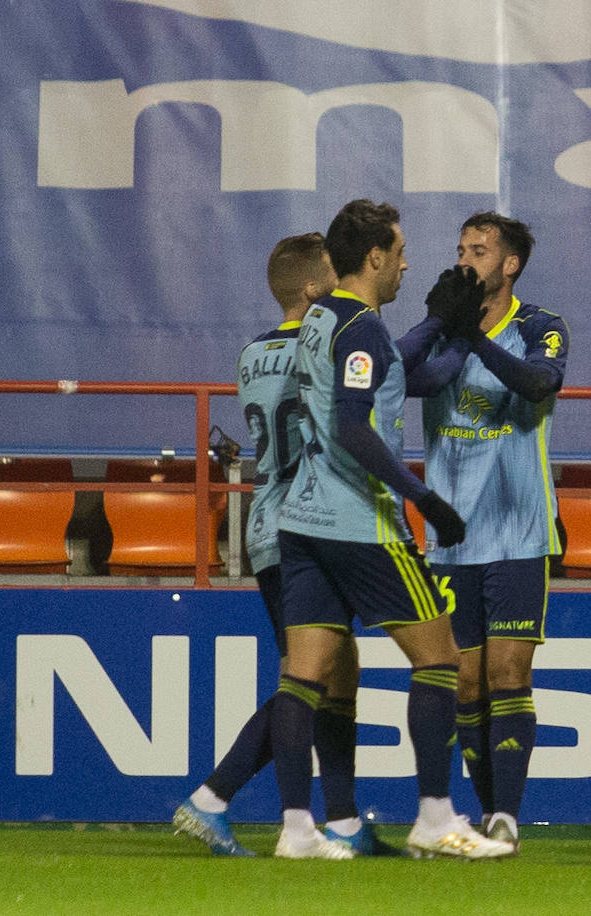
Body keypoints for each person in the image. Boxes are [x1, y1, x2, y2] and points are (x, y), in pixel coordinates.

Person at [269, 199, 512, 860]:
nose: (406, 264)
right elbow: (354, 425)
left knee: (302, 678)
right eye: (399, 253)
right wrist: (422, 497)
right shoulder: (364, 329)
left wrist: (442, 326)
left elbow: (398, 372)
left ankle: (296, 830)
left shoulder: (321, 317)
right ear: (374, 257)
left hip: (303, 520)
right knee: (440, 659)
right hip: (361, 523)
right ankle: (435, 818)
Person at [173, 232, 385, 855]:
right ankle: (212, 798)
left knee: (337, 671)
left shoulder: (251, 353)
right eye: (336, 276)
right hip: (311, 526)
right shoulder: (326, 346)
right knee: (308, 678)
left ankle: (344, 822)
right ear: (315, 289)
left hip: (267, 523)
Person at [402, 211, 568, 850]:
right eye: (461, 249)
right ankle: (486, 810)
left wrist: (473, 337)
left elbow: (538, 383)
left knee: (509, 672)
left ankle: (507, 817)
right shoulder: (444, 328)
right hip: (451, 534)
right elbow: (410, 381)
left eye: (479, 250)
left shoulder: (540, 327)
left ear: (510, 264)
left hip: (519, 529)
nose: (465, 260)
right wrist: (444, 328)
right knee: (464, 681)